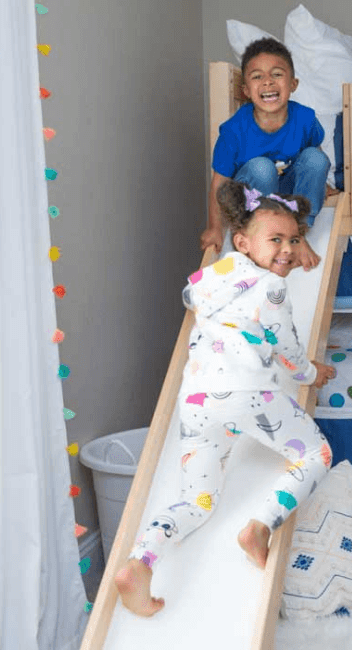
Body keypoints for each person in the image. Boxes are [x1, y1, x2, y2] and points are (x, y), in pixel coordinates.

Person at [116, 181, 337, 616]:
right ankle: (260, 525)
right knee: (316, 453)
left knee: (197, 502)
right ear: (243, 242)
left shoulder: (214, 276)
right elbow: (287, 348)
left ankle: (140, 560)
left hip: (196, 401)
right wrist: (313, 373)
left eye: (294, 239)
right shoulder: (272, 289)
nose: (288, 250)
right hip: (248, 393)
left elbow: (189, 294)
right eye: (275, 240)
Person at [201, 37, 329, 272]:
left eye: (277, 74)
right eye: (257, 76)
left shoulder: (305, 119)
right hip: (252, 198)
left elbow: (314, 158)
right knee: (262, 168)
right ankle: (264, 231)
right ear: (246, 90)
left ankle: (297, 233)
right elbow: (219, 184)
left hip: (286, 197)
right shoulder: (233, 131)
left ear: (293, 84)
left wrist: (321, 185)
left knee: (317, 159)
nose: (268, 82)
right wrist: (214, 228)